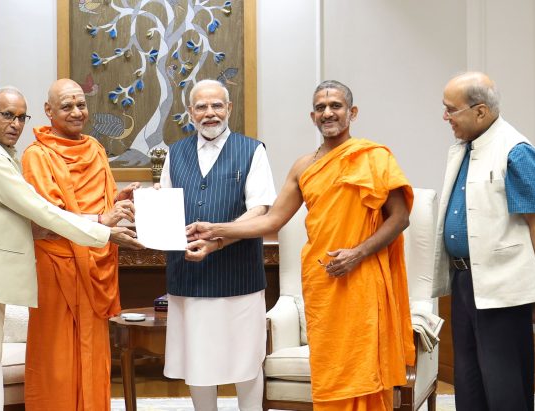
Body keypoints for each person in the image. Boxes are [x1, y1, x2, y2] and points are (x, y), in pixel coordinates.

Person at [186, 80, 415, 410]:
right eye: (320, 108)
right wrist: (216, 232)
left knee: (364, 366)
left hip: (363, 276)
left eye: (335, 106)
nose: (328, 113)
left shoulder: (373, 157)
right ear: (312, 116)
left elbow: (400, 217)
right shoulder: (304, 166)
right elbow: (272, 220)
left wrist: (357, 253)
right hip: (323, 279)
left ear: (352, 112)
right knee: (330, 368)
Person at [0, 86, 143, 411]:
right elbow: (42, 211)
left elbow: (23, 220)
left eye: (22, 117)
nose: (16, 124)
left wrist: (103, 215)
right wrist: (103, 228)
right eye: (8, 115)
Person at [433, 71, 535, 411]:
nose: (445, 117)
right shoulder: (465, 148)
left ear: (481, 111)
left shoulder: (516, 151)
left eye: (451, 109)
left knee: (504, 387)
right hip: (464, 280)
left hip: (504, 288)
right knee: (469, 383)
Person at [21, 78, 139, 411]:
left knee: (94, 355)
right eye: (67, 106)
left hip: (94, 264)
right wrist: (103, 219)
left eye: (81, 104)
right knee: (56, 357)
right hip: (56, 265)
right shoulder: (37, 156)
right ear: (49, 111)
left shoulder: (95, 148)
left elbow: (103, 204)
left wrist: (119, 199)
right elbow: (49, 218)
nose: (76, 112)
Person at [158, 79, 276, 411]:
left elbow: (259, 209)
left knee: (246, 360)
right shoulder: (174, 152)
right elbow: (166, 206)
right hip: (189, 275)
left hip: (239, 277)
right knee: (198, 360)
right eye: (201, 107)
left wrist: (218, 238)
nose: (210, 113)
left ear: (229, 108)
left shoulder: (252, 150)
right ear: (190, 112)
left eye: (217, 105)